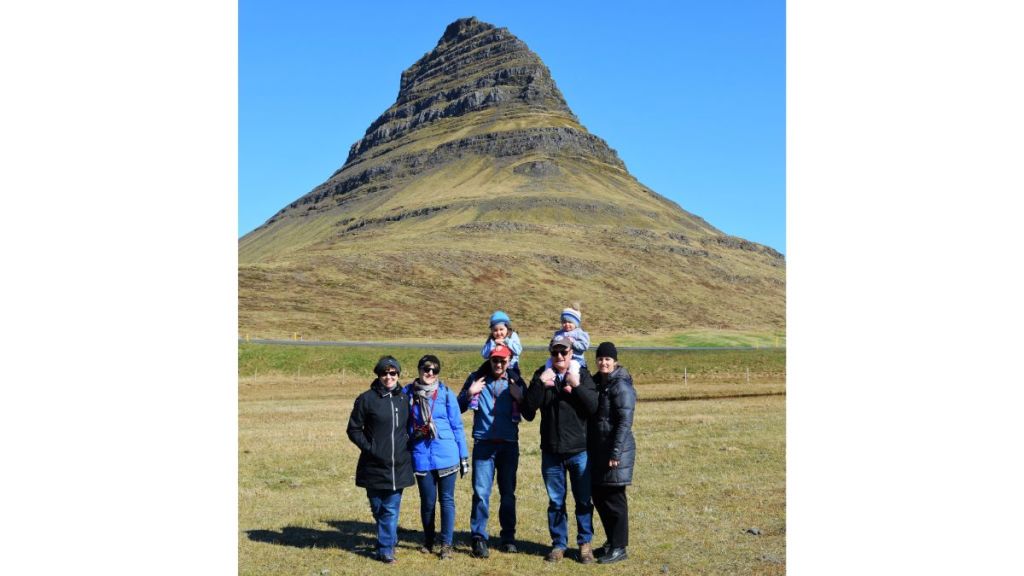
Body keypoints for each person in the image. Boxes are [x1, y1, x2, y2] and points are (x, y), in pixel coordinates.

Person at [521, 334, 599, 564]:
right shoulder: (541, 375)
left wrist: (576, 386)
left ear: (571, 353)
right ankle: (558, 544)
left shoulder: (581, 374)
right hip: (551, 451)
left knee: (583, 500)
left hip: (578, 450)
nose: (559, 356)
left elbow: (593, 407)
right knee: (556, 502)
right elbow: (527, 411)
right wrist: (538, 384)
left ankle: (585, 544)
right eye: (555, 352)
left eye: (563, 352)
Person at [458, 344, 532, 558]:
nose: (498, 364)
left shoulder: (515, 380)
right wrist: (469, 393)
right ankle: (479, 538)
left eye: (502, 361)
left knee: (508, 493)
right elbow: (457, 407)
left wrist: (520, 397)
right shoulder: (476, 378)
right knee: (481, 493)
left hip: (508, 444)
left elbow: (529, 414)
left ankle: (508, 537)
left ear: (509, 361)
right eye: (495, 360)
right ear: (489, 360)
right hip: (484, 444)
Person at [346, 355, 415, 564]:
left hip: (399, 465)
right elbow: (353, 429)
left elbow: (409, 427)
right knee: (378, 508)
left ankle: (386, 549)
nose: (389, 377)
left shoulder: (405, 399)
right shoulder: (366, 399)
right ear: (378, 375)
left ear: (398, 375)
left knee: (390, 509)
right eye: (384, 373)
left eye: (393, 373)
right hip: (373, 464)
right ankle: (390, 538)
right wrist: (370, 448)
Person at [403, 355, 470, 560]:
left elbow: (457, 426)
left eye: (434, 370)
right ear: (419, 369)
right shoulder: (407, 393)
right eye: (426, 368)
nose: (430, 373)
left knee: (447, 501)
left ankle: (446, 545)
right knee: (428, 502)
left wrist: (463, 457)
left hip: (447, 454)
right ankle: (428, 540)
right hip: (422, 454)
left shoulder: (446, 394)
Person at [587, 342, 636, 564]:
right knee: (599, 495)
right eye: (600, 359)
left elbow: (624, 422)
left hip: (616, 450)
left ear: (614, 361)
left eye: (608, 359)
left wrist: (615, 452)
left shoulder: (621, 386)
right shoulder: (598, 383)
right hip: (599, 449)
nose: (603, 362)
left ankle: (620, 547)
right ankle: (610, 541)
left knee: (614, 499)